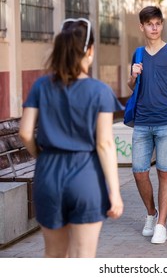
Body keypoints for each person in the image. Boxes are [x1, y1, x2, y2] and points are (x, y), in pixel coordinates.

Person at [19, 18, 124, 257]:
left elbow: (25, 133)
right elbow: (105, 143)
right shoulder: (99, 91)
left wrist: (43, 156)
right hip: (86, 176)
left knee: (54, 256)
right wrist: (115, 193)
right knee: (82, 258)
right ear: (90, 50)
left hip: (49, 174)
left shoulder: (41, 86)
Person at [127, 6, 167, 244]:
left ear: (161, 25)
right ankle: (151, 213)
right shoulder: (138, 54)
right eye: (149, 24)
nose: (154, 28)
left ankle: (162, 224)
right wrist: (133, 76)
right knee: (139, 171)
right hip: (142, 122)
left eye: (157, 23)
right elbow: (132, 87)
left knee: (165, 171)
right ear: (142, 27)